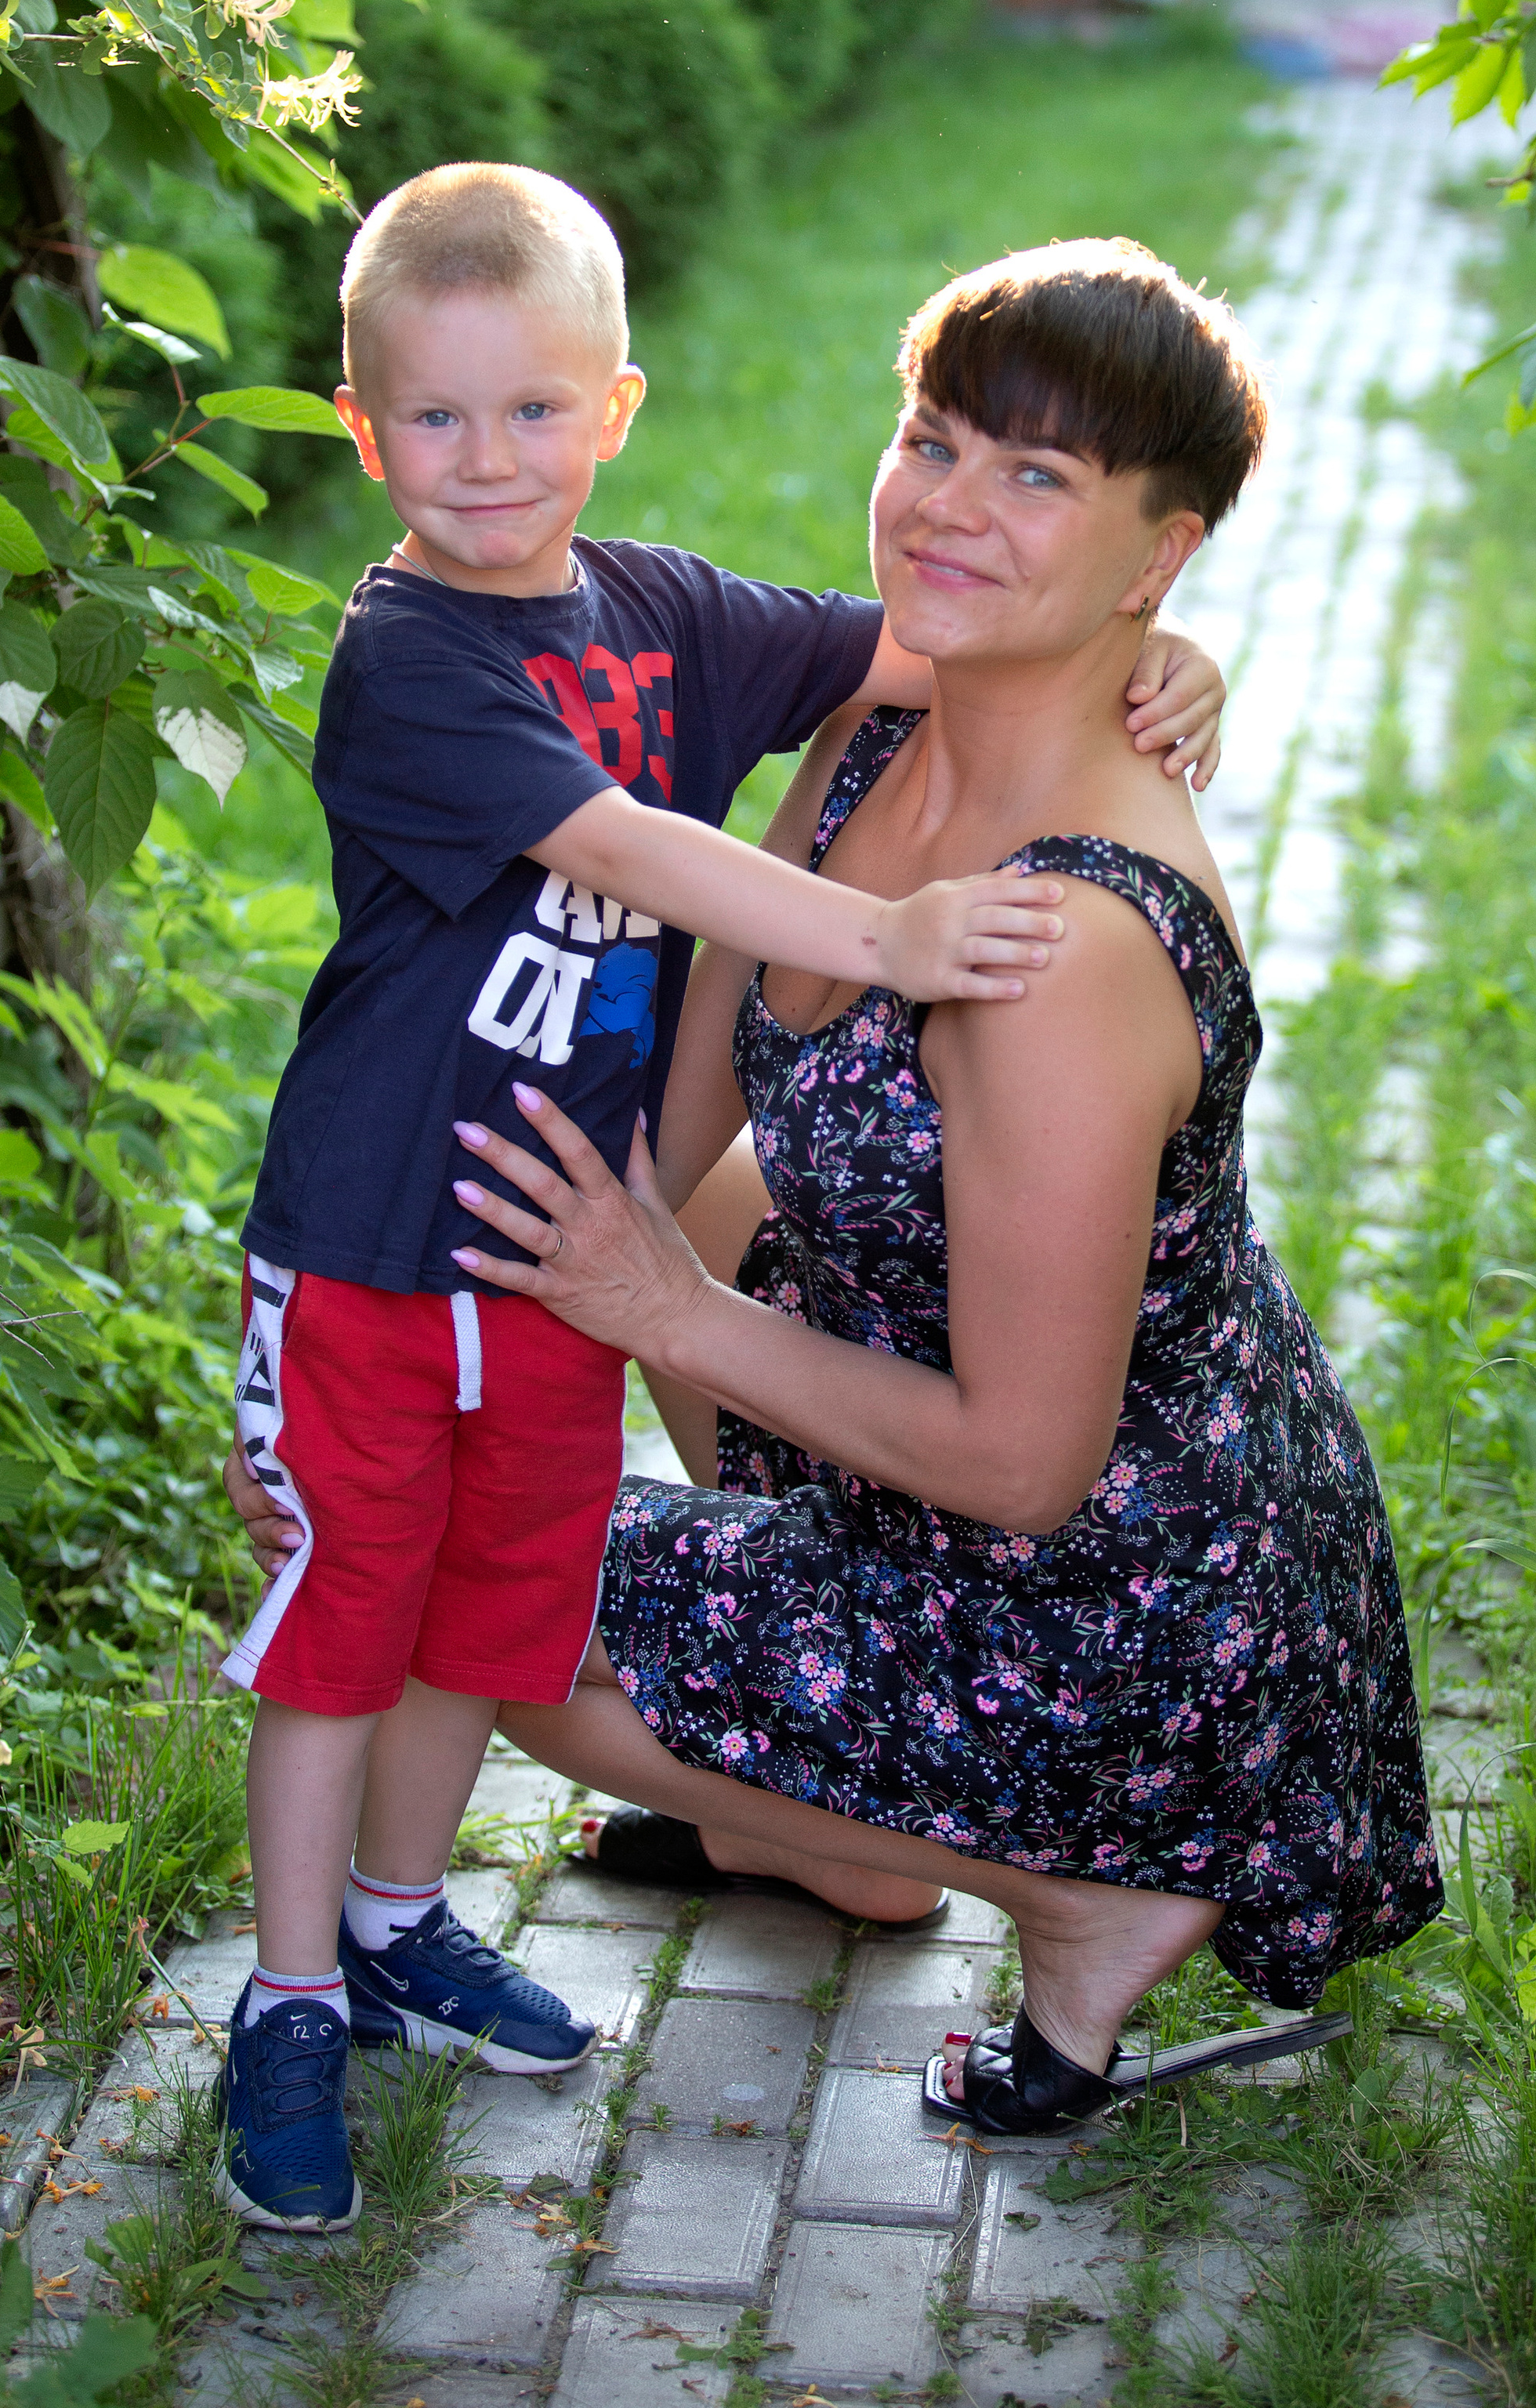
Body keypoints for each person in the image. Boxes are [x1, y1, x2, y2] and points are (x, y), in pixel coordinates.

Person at [216, 172, 1227, 2230]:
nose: (484, 464)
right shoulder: (409, 663)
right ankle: (292, 1993)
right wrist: (919, 933)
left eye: (533, 414)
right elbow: (656, 867)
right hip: (387, 1250)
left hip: (557, 1265)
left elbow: (942, 642)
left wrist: (1164, 645)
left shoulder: (660, 617)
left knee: (496, 1607)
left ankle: (404, 1922)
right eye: (433, 421)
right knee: (347, 1625)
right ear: (360, 433)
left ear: (616, 409)